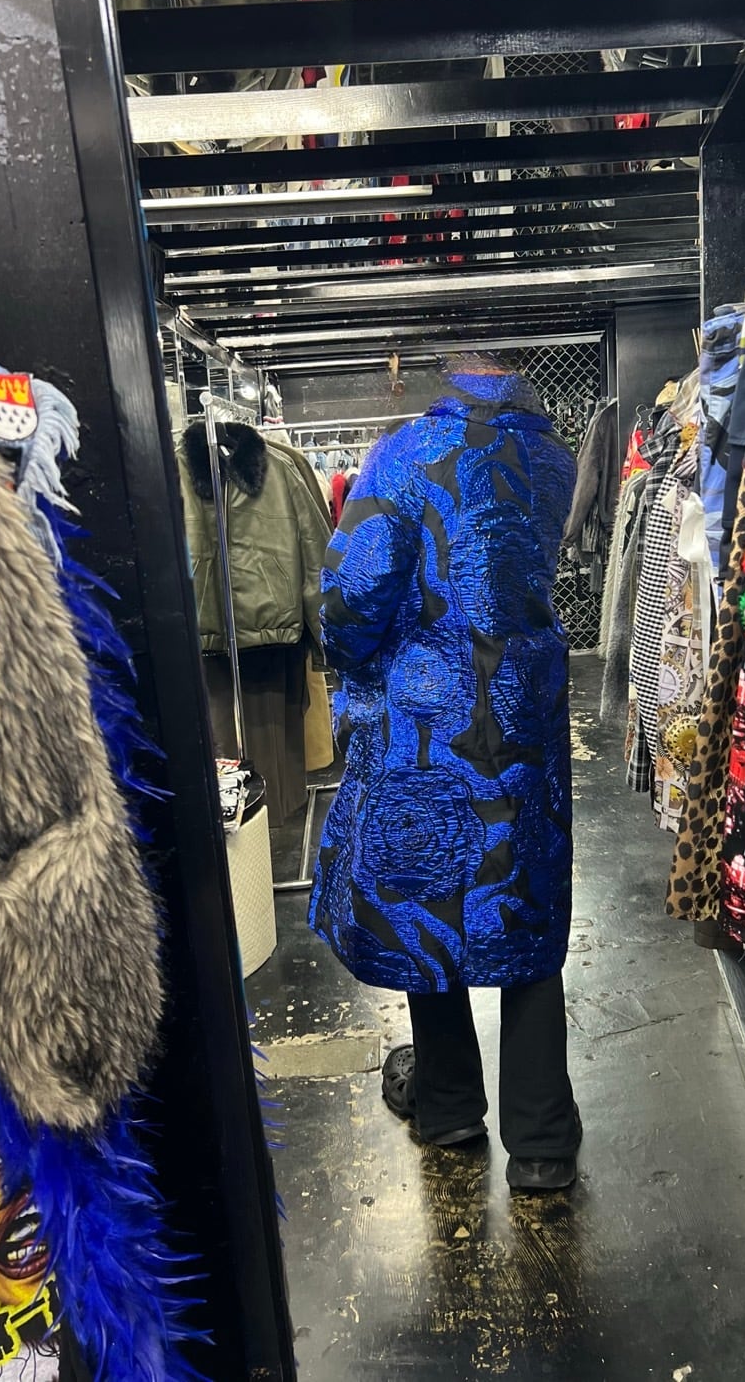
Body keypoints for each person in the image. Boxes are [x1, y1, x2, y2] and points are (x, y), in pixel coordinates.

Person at [308, 353, 581, 1191]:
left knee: (428, 890)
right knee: (526, 895)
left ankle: (450, 1100)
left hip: (425, 717)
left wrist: (357, 665)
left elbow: (351, 598)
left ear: (446, 380)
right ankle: (541, 1136)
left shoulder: (403, 454)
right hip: (526, 710)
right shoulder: (554, 456)